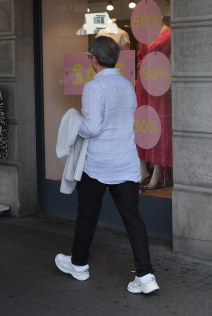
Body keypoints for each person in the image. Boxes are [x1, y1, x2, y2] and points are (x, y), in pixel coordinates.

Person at [55, 36, 159, 294]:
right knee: (133, 219)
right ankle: (146, 276)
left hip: (97, 164)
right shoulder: (127, 85)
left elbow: (92, 128)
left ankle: (79, 265)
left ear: (93, 59)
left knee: (87, 214)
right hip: (125, 161)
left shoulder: (93, 87)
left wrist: (75, 125)